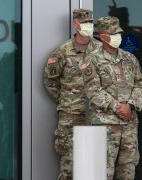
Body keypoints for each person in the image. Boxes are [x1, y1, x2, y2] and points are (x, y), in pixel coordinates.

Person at [43, 9, 102, 180]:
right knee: (69, 162)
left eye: (91, 23)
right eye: (85, 23)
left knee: (95, 163)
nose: (89, 26)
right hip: (71, 114)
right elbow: (50, 81)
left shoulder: (100, 50)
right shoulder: (62, 52)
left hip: (97, 113)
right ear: (75, 24)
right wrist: (67, 101)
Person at [81, 16, 142, 179]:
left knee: (127, 170)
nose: (118, 37)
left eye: (118, 33)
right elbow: (92, 90)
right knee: (102, 171)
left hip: (129, 124)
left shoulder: (130, 59)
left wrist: (130, 105)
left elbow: (139, 84)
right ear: (102, 36)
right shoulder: (91, 60)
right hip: (105, 124)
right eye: (113, 34)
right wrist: (118, 107)